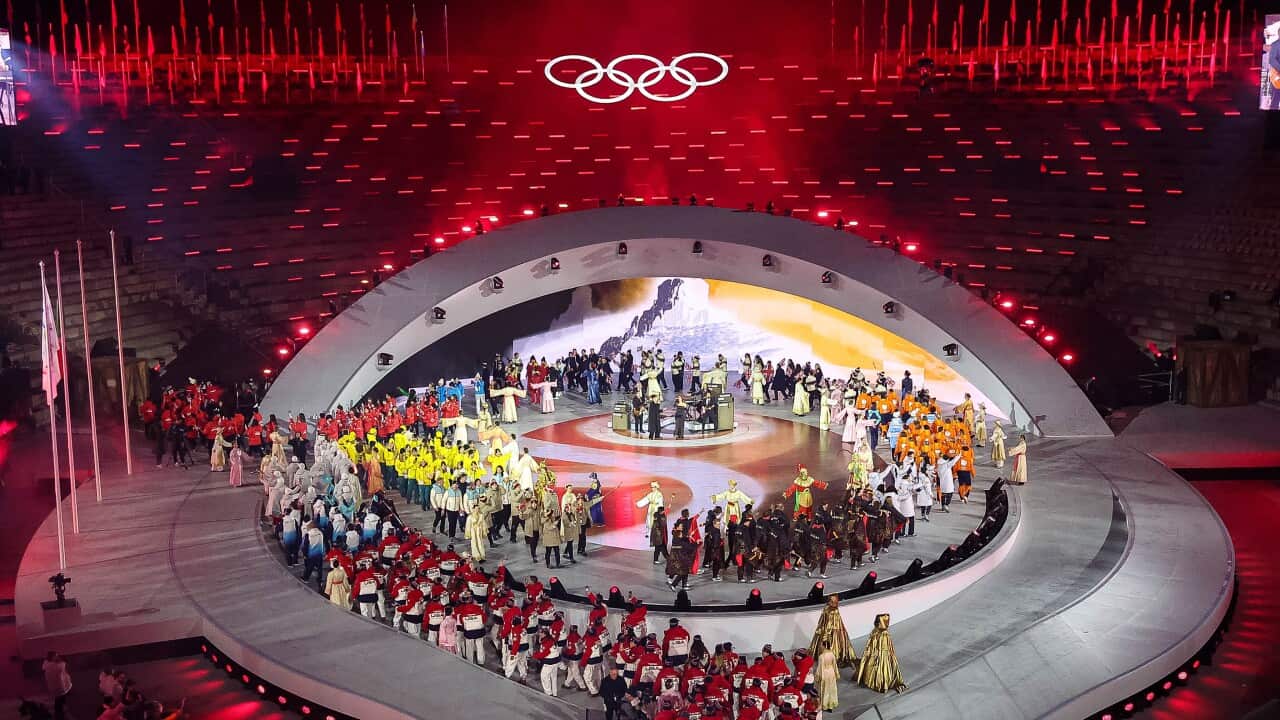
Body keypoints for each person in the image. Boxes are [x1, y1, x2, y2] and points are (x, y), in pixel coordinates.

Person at [856, 614, 907, 693]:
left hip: (882, 654)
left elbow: (884, 649)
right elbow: (871, 644)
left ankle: (881, 682)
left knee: (880, 667)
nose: (877, 623)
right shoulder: (876, 631)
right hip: (874, 653)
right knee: (871, 666)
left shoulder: (884, 634)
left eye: (879, 622)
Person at [43, 651, 72, 720]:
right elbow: (62, 666)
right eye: (55, 656)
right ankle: (59, 714)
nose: (57, 657)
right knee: (59, 699)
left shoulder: (46, 664)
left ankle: (60, 711)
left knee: (59, 698)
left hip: (54, 685)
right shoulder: (57, 665)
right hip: (59, 685)